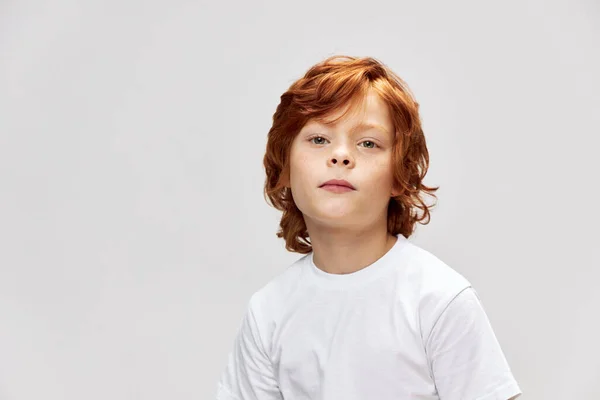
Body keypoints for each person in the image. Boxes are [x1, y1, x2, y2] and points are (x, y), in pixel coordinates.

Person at [215, 55, 522, 400]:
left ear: (398, 177)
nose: (341, 156)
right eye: (319, 139)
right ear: (284, 166)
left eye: (368, 143)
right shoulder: (268, 312)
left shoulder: (438, 299)